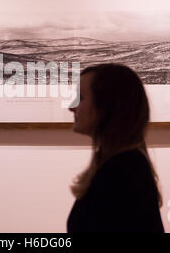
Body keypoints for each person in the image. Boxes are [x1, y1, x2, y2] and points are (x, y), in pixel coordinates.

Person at [67, 63, 164, 233]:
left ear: (106, 106)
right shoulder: (121, 164)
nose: (71, 107)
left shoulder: (121, 171)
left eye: (80, 98)